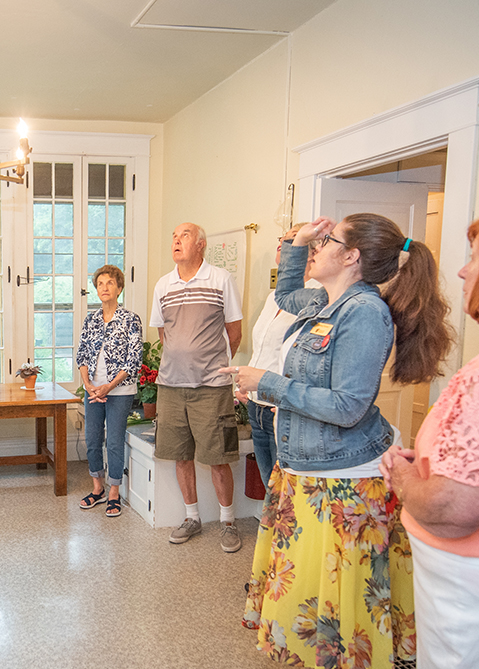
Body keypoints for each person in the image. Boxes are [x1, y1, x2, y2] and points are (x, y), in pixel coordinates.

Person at [229, 213, 452, 669]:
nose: (320, 246)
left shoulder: (366, 314)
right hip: (309, 471)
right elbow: (286, 296)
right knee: (320, 587)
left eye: (328, 241)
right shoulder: (328, 303)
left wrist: (269, 384)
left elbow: (350, 405)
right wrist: (298, 244)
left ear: (352, 257)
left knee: (345, 589)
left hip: (346, 479)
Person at [380, 214, 479, 669]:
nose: (462, 268)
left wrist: (402, 475)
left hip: (471, 591)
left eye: (475, 256)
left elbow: (456, 506)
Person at [150, 222, 243, 551]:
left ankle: (229, 521)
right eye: (173, 236)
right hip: (171, 386)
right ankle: (192, 517)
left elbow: (234, 332)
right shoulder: (163, 285)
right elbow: (164, 335)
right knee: (180, 456)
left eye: (184, 236)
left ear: (201, 244)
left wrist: (211, 363)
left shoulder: (220, 279)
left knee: (218, 457)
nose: (176, 240)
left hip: (211, 387)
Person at [241, 223, 307, 489]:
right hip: (256, 404)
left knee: (287, 490)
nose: (283, 243)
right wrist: (244, 384)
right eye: (283, 238)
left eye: (292, 240)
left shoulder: (314, 299)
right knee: (271, 488)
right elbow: (263, 348)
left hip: (281, 408)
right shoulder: (274, 297)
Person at [76, 264, 143, 518]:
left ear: (119, 288)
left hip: (120, 391)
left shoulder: (130, 319)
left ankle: (114, 492)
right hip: (93, 391)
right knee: (92, 440)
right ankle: (98, 489)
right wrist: (89, 385)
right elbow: (82, 354)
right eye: (100, 284)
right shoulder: (91, 319)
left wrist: (109, 386)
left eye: (110, 283)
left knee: (114, 442)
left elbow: (133, 360)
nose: (104, 288)